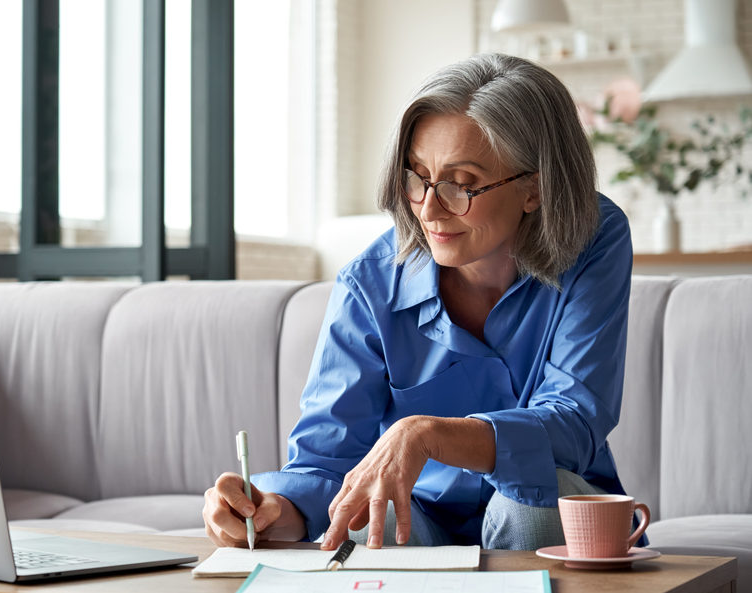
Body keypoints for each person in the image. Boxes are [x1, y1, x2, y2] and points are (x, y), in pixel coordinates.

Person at [203, 53, 635, 552]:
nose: (428, 210)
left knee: (531, 496)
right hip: (420, 519)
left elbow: (575, 420)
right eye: (416, 177)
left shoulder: (593, 238)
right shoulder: (369, 283)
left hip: (546, 512)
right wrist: (273, 512)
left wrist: (428, 434)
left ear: (534, 190)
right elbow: (326, 461)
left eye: (461, 184)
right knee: (371, 512)